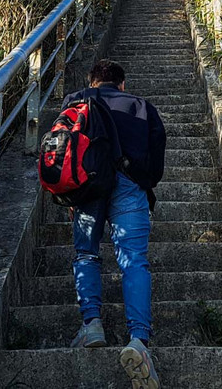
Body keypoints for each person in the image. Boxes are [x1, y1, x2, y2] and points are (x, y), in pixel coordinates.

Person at [63, 59, 166, 389]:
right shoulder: (140, 106)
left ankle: (92, 324)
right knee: (134, 260)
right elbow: (157, 152)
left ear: (92, 81)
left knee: (86, 254)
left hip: (87, 188)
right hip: (128, 186)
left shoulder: (76, 101)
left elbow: (61, 148)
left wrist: (68, 192)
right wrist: (142, 180)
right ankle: (138, 341)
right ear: (123, 84)